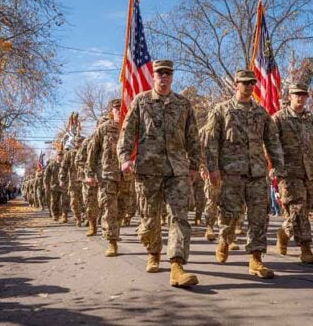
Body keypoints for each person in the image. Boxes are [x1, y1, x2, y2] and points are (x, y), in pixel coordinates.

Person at [117, 59, 200, 287]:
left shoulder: (183, 104)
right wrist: (125, 158)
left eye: (168, 73)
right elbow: (127, 133)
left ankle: (177, 266)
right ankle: (153, 251)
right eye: (159, 73)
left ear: (172, 77)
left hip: (177, 170)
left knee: (179, 217)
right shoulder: (141, 101)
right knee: (149, 220)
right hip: (148, 169)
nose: (163, 77)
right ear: (153, 77)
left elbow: (193, 137)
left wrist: (194, 165)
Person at [203, 69, 285, 278]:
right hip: (231, 173)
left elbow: (272, 141)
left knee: (259, 216)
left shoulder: (261, 113)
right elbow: (211, 142)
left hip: (257, 173)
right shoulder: (221, 110)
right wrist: (212, 169)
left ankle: (256, 259)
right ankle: (224, 239)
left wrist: (277, 166)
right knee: (229, 215)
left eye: (252, 83)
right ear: (236, 84)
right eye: (245, 82)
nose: (249, 86)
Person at [273, 81, 313, 264]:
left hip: (308, 172)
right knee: (298, 209)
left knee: (305, 209)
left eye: (304, 95)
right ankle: (306, 248)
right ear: (290, 96)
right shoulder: (279, 119)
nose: (300, 98)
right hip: (287, 172)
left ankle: (284, 232)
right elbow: (270, 144)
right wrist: (274, 166)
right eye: (297, 94)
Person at [86, 99, 125, 257]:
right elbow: (92, 153)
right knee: (109, 208)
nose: (119, 111)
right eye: (116, 108)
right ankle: (112, 242)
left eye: (121, 108)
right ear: (112, 110)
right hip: (107, 175)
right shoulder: (103, 129)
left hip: (126, 176)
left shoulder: (131, 127)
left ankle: (116, 230)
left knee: (124, 208)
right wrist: (90, 173)